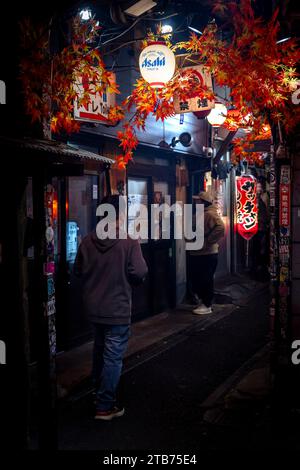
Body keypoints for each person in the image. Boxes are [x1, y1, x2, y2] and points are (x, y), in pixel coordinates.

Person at [74, 195, 148, 421]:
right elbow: (140, 272)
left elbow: (78, 271)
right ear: (121, 215)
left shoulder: (87, 241)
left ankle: (98, 393)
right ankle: (105, 406)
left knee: (99, 349)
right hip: (117, 308)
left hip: (93, 308)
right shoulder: (128, 241)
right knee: (113, 356)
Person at [189, 191, 225, 315]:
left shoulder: (210, 213)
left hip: (207, 253)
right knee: (199, 278)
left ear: (204, 202)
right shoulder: (201, 213)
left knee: (206, 279)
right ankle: (204, 302)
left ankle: (207, 304)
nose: (196, 202)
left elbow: (221, 227)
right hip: (198, 252)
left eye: (198, 200)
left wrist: (209, 240)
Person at [252, 178, 270, 280]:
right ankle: (257, 271)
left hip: (262, 227)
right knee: (256, 249)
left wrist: (267, 223)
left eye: (259, 187)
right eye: (256, 187)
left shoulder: (264, 197)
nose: (258, 189)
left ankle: (261, 271)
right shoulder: (255, 197)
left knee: (262, 249)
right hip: (256, 227)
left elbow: (267, 213)